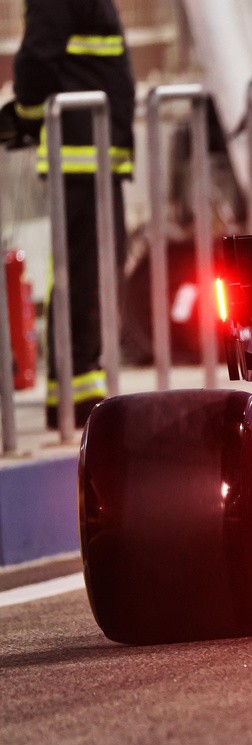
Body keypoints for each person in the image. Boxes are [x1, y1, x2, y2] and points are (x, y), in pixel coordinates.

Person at [3, 0, 136, 429]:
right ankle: (78, 400)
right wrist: (26, 115)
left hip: (97, 153)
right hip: (80, 154)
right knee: (83, 279)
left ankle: (77, 393)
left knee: (91, 278)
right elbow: (36, 62)